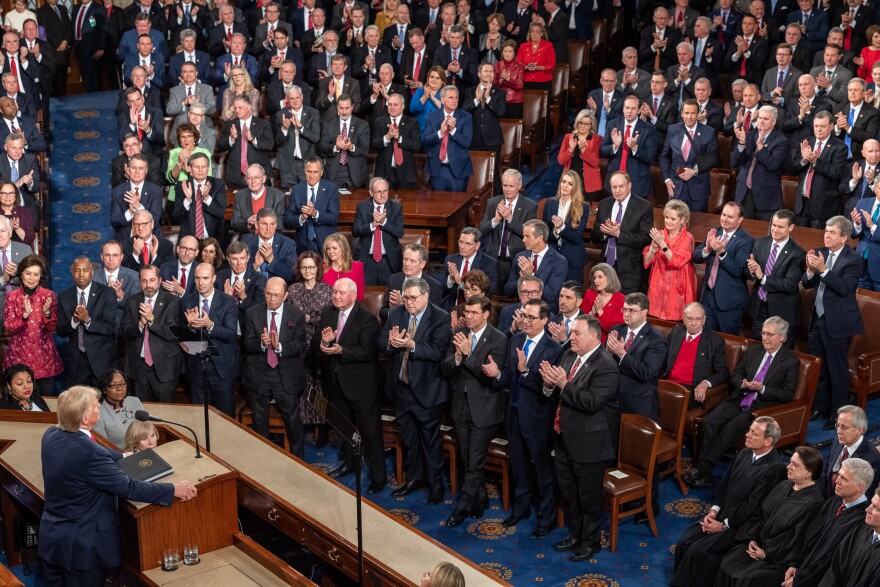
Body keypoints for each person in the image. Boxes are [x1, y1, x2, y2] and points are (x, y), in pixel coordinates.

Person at [38, 386, 197, 586]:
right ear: (85, 419)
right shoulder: (89, 453)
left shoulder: (51, 435)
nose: (100, 409)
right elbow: (128, 487)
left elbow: (93, 448)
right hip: (82, 548)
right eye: (96, 407)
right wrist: (173, 489)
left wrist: (122, 456)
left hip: (53, 540)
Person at [685, 316, 800, 489]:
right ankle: (706, 475)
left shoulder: (790, 361)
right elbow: (736, 374)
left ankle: (702, 468)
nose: (765, 338)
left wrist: (762, 388)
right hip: (741, 397)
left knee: (733, 426)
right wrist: (743, 383)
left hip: (761, 407)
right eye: (763, 333)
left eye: (770, 334)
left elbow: (787, 394)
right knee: (710, 421)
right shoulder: (754, 351)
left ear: (782, 337)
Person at [671, 417, 788, 586]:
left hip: (740, 525)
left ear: (768, 441)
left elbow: (753, 506)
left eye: (753, 433)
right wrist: (714, 510)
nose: (746, 435)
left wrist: (724, 525)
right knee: (685, 542)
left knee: (699, 551)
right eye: (749, 430)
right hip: (722, 514)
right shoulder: (744, 453)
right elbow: (723, 485)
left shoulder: (774, 468)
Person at [540, 315, 619, 562]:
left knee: (588, 497)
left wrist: (563, 383)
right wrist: (549, 385)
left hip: (589, 444)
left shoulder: (606, 365)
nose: (570, 337)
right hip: (563, 437)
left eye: (577, 333)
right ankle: (575, 534)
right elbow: (555, 392)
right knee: (569, 492)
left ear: (594, 336)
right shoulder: (568, 355)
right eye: (571, 332)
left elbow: (592, 402)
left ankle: (590, 542)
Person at [485, 298, 561, 535]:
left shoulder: (554, 349)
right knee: (519, 467)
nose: (525, 321)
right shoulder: (516, 340)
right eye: (524, 316)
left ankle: (546, 519)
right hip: (514, 414)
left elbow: (546, 389)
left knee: (543, 471)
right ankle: (521, 509)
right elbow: (509, 375)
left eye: (531, 317)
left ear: (545, 320)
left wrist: (525, 371)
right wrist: (498, 374)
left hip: (538, 418)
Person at [380, 278, 451, 505]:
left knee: (430, 442)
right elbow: (380, 344)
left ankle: (436, 483)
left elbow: (438, 351)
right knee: (409, 439)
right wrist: (390, 344)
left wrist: (411, 345)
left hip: (427, 391)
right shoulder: (396, 313)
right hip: (401, 388)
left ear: (425, 297)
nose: (408, 302)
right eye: (406, 298)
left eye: (413, 298)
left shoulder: (440, 317)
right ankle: (415, 478)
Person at [714, 447, 825, 587]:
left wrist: (766, 554)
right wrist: (753, 538)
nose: (789, 467)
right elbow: (760, 513)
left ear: (809, 472)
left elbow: (795, 541)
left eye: (795, 465)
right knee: (726, 563)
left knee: (745, 579)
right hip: (757, 544)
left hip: (778, 558)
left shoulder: (813, 504)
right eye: (790, 462)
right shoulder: (784, 485)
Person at [441, 294, 507, 526]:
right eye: (466, 313)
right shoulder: (459, 335)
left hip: (485, 408)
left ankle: (463, 507)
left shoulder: (498, 339)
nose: (468, 317)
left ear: (486, 314)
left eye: (473, 313)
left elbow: (490, 377)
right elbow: (445, 368)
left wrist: (468, 355)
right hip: (460, 405)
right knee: (466, 456)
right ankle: (479, 499)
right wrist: (458, 358)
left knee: (475, 459)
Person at [317, 278, 385, 492]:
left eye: (341, 293)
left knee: (370, 432)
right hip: (336, 382)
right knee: (345, 429)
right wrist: (325, 343)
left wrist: (341, 350)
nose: (336, 296)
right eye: (334, 292)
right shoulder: (328, 313)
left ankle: (378, 477)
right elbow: (316, 345)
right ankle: (349, 464)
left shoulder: (367, 319)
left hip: (361, 385)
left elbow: (367, 352)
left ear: (353, 296)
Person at [802, 215, 864, 430]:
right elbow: (807, 283)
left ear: (844, 237)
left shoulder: (853, 260)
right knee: (819, 367)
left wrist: (823, 270)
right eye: (826, 231)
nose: (826, 235)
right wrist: (810, 271)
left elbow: (844, 288)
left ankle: (837, 413)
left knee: (836, 370)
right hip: (817, 320)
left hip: (838, 323)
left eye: (832, 233)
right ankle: (820, 406)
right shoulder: (821, 252)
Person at [242, 277, 308, 458]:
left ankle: (298, 461)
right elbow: (247, 345)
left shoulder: (296, 315)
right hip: (259, 375)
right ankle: (263, 461)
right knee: (259, 421)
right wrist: (261, 344)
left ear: (285, 295)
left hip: (285, 376)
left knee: (293, 421)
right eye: (268, 294)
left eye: (276, 295)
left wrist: (279, 347)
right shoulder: (252, 313)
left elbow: (300, 346)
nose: (271, 299)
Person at [180, 263, 240, 417]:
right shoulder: (187, 301)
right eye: (198, 278)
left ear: (214, 278)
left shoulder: (228, 301)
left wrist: (210, 325)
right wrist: (191, 327)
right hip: (197, 368)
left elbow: (231, 335)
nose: (201, 282)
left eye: (205, 278)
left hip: (222, 369)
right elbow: (183, 340)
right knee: (200, 417)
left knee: (225, 418)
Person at [286, 251, 331, 446]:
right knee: (301, 385)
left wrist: (309, 319)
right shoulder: (293, 289)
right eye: (304, 267)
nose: (307, 270)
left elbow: (329, 318)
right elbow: (287, 314)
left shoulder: (327, 290)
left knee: (320, 387)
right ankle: (303, 425)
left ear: (318, 268)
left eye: (311, 267)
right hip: (298, 341)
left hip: (319, 342)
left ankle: (322, 427)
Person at [121, 265, 182, 403]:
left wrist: (151, 319)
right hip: (139, 367)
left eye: (152, 280)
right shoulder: (132, 301)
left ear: (159, 281)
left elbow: (171, 333)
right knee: (142, 414)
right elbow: (124, 332)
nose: (148, 285)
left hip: (164, 368)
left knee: (166, 413)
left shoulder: (172, 301)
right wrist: (140, 325)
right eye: (144, 281)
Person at [746, 209, 807, 345]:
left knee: (780, 357)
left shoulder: (798, 253)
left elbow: (789, 284)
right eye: (773, 225)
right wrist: (751, 271)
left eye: (780, 226)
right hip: (759, 308)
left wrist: (762, 277)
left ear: (790, 228)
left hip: (782, 313)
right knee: (757, 349)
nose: (775, 229)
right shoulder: (759, 243)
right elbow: (749, 272)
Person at [606, 292, 667, 425]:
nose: (626, 314)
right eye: (625, 309)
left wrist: (622, 354)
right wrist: (608, 352)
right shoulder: (616, 330)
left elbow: (646, 373)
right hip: (611, 399)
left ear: (644, 312)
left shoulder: (656, 340)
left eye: (632, 310)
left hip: (638, 403)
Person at [693, 201, 754, 335]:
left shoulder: (746, 240)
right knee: (706, 341)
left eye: (730, 217)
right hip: (707, 298)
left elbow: (737, 269)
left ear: (740, 220)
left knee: (727, 343)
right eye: (723, 215)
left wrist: (722, 253)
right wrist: (707, 249)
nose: (725, 219)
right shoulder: (713, 231)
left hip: (729, 303)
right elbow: (695, 257)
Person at [3, 254, 61, 394]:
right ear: (21, 273)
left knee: (47, 403)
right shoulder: (12, 297)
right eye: (28, 273)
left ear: (40, 276)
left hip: (44, 358)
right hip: (19, 357)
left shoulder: (49, 296)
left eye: (36, 274)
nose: (31, 278)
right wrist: (24, 317)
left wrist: (47, 313)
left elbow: (53, 328)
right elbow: (8, 328)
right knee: (19, 406)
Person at [56, 257, 118, 387]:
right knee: (80, 403)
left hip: (101, 358)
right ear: (72, 273)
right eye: (77, 271)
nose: (81, 274)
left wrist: (87, 320)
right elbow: (60, 330)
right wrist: (74, 320)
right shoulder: (64, 296)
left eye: (85, 270)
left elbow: (110, 327)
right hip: (77, 360)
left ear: (92, 272)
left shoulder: (107, 293)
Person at [591, 171, 654, 294]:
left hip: (630, 272)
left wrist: (619, 234)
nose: (617, 190)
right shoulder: (604, 204)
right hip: (606, 268)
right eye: (614, 187)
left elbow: (645, 239)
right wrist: (606, 232)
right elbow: (594, 236)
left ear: (629, 186)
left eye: (621, 186)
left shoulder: (644, 206)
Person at [478, 169, 538, 293]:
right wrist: (495, 220)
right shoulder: (493, 203)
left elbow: (530, 235)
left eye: (511, 186)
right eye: (505, 185)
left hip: (516, 261)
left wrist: (510, 219)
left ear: (519, 186)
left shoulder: (530, 206)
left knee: (513, 295)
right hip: (494, 260)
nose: (507, 189)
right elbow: (481, 231)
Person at [662, 302, 729, 408]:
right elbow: (662, 359)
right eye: (689, 319)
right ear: (683, 319)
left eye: (698, 319)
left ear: (704, 320)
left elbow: (723, 372)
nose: (693, 323)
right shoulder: (676, 332)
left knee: (667, 403)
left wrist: (705, 383)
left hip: (690, 389)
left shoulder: (715, 341)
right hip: (667, 383)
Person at [659, 99, 720, 213]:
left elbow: (713, 158)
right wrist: (667, 179)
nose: (689, 117)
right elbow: (664, 156)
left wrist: (694, 170)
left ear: (698, 114)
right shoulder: (673, 129)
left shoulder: (708, 132)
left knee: (698, 225)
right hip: (676, 188)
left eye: (693, 113)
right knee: (674, 224)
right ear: (682, 113)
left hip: (698, 190)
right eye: (686, 113)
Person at [731, 105, 790, 221]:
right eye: (760, 118)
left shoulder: (781, 140)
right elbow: (734, 162)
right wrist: (741, 144)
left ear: (774, 122)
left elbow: (773, 164)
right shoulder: (748, 136)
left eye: (766, 119)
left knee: (763, 234)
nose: (761, 121)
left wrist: (760, 147)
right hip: (744, 192)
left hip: (766, 196)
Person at [643, 200, 697, 321]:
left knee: (674, 322)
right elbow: (647, 261)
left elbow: (677, 261)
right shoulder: (659, 234)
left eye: (672, 219)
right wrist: (653, 248)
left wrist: (662, 243)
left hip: (677, 288)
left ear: (682, 220)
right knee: (655, 321)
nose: (668, 221)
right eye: (666, 217)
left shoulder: (687, 238)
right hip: (658, 285)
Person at [793, 110, 848, 228]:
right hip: (802, 204)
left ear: (831, 127)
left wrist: (815, 161)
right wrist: (803, 161)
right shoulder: (807, 142)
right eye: (816, 126)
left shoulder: (840, 147)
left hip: (823, 208)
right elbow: (793, 167)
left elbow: (836, 173)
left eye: (822, 126)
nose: (818, 129)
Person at [600, 95, 659, 200]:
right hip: (614, 181)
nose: (629, 111)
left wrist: (635, 148)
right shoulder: (612, 124)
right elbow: (602, 150)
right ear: (623, 109)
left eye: (633, 108)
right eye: (627, 108)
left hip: (637, 184)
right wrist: (615, 146)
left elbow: (650, 157)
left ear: (639, 110)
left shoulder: (649, 129)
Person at [819, 488, 880, 586]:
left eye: (876, 508)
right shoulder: (858, 532)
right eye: (871, 504)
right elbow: (834, 573)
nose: (867, 509)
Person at [819, 405, 880, 499]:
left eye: (844, 427)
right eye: (837, 426)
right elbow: (826, 472)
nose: (838, 431)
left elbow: (863, 496)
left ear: (859, 430)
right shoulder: (837, 441)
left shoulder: (872, 458)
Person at [352, 177, 404, 286]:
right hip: (367, 260)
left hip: (388, 260)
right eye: (379, 192)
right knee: (365, 295)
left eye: (385, 191)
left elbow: (400, 232)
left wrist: (384, 222)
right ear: (371, 192)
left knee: (389, 295)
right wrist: (372, 225)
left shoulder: (396, 207)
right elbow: (355, 231)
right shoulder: (362, 207)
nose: (383, 195)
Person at [422, 85, 473, 192]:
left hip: (458, 170)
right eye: (450, 97)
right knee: (438, 206)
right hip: (437, 169)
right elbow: (425, 140)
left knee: (457, 205)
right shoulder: (432, 116)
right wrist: (440, 132)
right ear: (442, 99)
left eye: (456, 98)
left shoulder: (466, 117)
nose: (454, 100)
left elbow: (466, 142)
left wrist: (453, 130)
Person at [217, 95, 275, 189]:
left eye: (240, 107)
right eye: (235, 108)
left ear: (249, 107)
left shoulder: (263, 124)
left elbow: (270, 145)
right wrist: (231, 138)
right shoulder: (230, 125)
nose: (236, 110)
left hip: (258, 175)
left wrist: (252, 139)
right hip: (235, 176)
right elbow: (221, 147)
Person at [286, 157, 340, 253]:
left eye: (315, 172)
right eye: (309, 171)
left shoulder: (331, 189)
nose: (311, 175)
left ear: (321, 172)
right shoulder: (296, 190)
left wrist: (315, 213)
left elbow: (334, 218)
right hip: (302, 243)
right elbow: (288, 219)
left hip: (325, 242)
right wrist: (302, 217)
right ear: (305, 171)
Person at [273, 85, 320, 189]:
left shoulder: (313, 113)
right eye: (292, 98)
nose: (295, 101)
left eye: (297, 98)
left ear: (302, 97)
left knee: (307, 194)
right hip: (287, 163)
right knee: (288, 198)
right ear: (288, 99)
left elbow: (315, 137)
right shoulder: (281, 115)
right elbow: (278, 142)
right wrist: (284, 128)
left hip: (306, 162)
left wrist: (301, 127)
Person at [371, 93, 421, 190]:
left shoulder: (412, 122)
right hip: (384, 172)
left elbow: (417, 145)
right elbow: (374, 144)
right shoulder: (380, 121)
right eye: (390, 104)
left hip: (406, 173)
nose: (392, 107)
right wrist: (387, 137)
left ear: (403, 106)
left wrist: (399, 138)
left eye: (395, 104)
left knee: (407, 204)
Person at [439, 226, 497, 309]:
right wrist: (450, 279)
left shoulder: (489, 263)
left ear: (477, 245)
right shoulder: (451, 259)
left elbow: (488, 293)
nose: (462, 246)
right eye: (461, 242)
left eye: (468, 244)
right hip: (451, 308)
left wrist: (460, 283)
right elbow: (441, 289)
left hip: (474, 309)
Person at [109, 154, 164, 242]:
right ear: (127, 169)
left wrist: (138, 207)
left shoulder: (155, 191)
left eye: (141, 168)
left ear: (146, 171)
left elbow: (155, 220)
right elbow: (114, 222)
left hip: (151, 239)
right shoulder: (118, 191)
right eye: (133, 168)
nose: (137, 172)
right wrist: (130, 212)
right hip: (125, 239)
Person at [380, 243, 442, 320]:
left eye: (412, 261)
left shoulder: (433, 286)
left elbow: (430, 317)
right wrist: (393, 312)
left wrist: (402, 306)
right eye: (405, 259)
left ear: (422, 264)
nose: (407, 264)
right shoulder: (394, 279)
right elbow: (383, 311)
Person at [557, 110, 603, 202]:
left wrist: (583, 150)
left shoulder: (596, 139)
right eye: (580, 123)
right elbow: (561, 161)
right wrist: (570, 149)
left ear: (591, 126)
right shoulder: (568, 137)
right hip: (570, 181)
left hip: (589, 184)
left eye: (586, 124)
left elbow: (595, 162)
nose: (583, 126)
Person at [92, 369, 144, 450]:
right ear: (104, 389)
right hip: (122, 456)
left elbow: (147, 429)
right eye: (114, 385)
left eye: (123, 384)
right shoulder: (98, 413)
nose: (119, 388)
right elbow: (104, 446)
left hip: (146, 449)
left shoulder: (135, 401)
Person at [217, 240, 266, 326]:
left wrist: (243, 297)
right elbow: (213, 308)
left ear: (248, 258)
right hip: (223, 326)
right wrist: (226, 298)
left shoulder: (259, 279)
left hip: (246, 328)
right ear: (228, 259)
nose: (239, 263)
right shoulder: (219, 277)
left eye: (242, 258)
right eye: (235, 259)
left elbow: (259, 311)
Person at [242, 208, 298, 283]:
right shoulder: (245, 243)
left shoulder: (288, 244)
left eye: (272, 224)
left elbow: (292, 275)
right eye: (264, 224)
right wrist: (255, 266)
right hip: (253, 289)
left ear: (276, 225)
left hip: (277, 290)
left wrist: (271, 260)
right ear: (256, 225)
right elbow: (238, 273)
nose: (268, 228)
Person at [231, 164, 287, 235]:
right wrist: (247, 223)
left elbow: (281, 222)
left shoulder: (278, 195)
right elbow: (234, 224)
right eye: (249, 178)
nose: (253, 181)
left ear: (264, 179)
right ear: (245, 180)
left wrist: (263, 221)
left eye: (256, 177)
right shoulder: (240, 196)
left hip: (271, 238)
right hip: (249, 240)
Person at [833, 77, 880, 161]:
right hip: (838, 154)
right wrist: (837, 128)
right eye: (850, 90)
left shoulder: (873, 112)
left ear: (863, 93)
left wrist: (848, 128)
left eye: (856, 90)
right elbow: (830, 131)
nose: (852, 93)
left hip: (858, 157)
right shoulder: (839, 107)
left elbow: (869, 137)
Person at [579, 263, 625, 343]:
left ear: (610, 278)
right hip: (587, 339)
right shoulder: (589, 294)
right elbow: (580, 321)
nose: (596, 281)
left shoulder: (621, 299)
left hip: (608, 342)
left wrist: (600, 312)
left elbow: (616, 330)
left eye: (600, 277)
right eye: (594, 278)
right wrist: (592, 314)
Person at [322, 232, 365, 301]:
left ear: (343, 248)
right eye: (328, 248)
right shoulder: (322, 268)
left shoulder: (357, 266)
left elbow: (360, 296)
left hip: (350, 308)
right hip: (328, 308)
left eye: (334, 248)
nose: (330, 251)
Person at [410, 66, 446, 131]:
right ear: (428, 78)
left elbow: (447, 111)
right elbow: (412, 108)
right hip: (419, 130)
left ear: (442, 81)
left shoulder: (446, 93)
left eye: (437, 78)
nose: (434, 80)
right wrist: (425, 97)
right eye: (431, 77)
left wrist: (433, 98)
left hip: (438, 131)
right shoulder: (420, 91)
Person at [493, 40, 524, 119]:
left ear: (514, 53)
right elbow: (492, 84)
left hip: (514, 102)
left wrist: (508, 80)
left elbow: (520, 85)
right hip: (499, 101)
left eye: (510, 51)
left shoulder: (520, 66)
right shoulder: (497, 65)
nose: (507, 54)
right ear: (502, 52)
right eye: (505, 51)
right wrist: (500, 81)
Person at [0, 182, 32, 247]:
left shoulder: (24, 212)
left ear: (15, 195)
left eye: (11, 193)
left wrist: (17, 228)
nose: (8, 196)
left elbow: (29, 240)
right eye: (4, 193)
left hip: (19, 250)